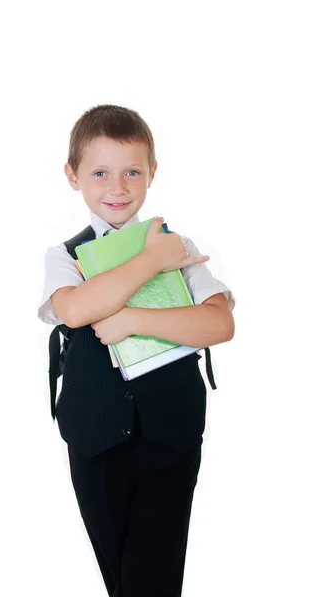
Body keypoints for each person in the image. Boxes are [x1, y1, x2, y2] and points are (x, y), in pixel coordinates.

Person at [38, 104, 236, 597]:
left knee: (156, 575)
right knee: (120, 575)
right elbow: (77, 310)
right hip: (94, 437)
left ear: (152, 174)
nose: (118, 188)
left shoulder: (179, 246)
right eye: (100, 173)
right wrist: (151, 260)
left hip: (171, 434)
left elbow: (219, 323)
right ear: (72, 175)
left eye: (132, 172)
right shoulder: (65, 256)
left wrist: (136, 320)